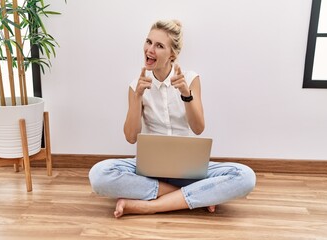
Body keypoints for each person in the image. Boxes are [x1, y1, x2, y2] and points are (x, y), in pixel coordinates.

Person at [89, 19, 256, 218]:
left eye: (159, 46)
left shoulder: (190, 79)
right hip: (148, 170)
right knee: (98, 175)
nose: (150, 49)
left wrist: (186, 94)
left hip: (188, 171)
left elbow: (198, 128)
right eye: (148, 42)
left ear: (172, 55)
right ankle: (197, 195)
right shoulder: (137, 85)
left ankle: (149, 206)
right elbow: (131, 137)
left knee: (245, 176)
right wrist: (137, 97)